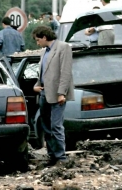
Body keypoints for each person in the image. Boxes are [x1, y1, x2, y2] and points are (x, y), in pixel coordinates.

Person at [32, 26, 74, 166]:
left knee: (56, 126)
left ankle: (61, 157)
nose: (37, 43)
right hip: (44, 93)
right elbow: (43, 72)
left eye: (38, 40)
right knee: (46, 127)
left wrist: (62, 92)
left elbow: (66, 72)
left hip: (57, 94)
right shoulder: (44, 51)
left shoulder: (63, 47)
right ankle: (52, 156)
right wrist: (36, 86)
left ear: (44, 37)